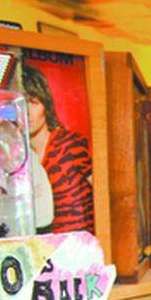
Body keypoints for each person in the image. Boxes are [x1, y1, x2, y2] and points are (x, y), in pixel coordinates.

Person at [22, 64, 94, 234]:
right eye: (21, 104)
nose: (26, 112)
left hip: (79, 248)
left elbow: (104, 198)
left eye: (33, 103)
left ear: (45, 105)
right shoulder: (15, 156)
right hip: (41, 251)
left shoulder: (70, 146)